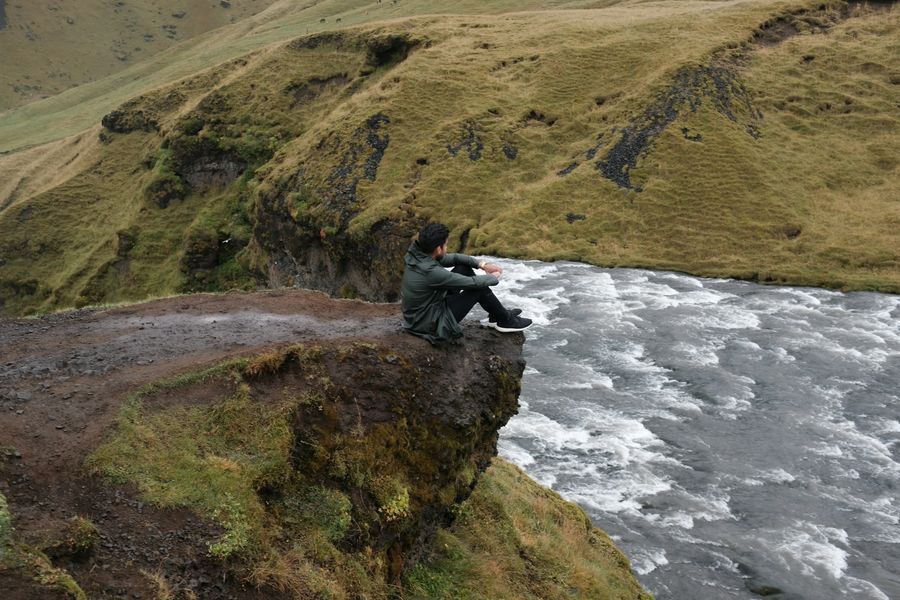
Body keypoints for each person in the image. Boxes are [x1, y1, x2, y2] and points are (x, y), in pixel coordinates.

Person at [400, 222, 532, 344]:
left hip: (422, 313)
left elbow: (456, 258)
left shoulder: (418, 255)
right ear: (438, 249)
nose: (446, 248)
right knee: (478, 289)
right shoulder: (431, 272)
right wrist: (494, 277)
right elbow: (472, 283)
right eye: (445, 245)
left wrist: (483, 265)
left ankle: (498, 315)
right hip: (429, 324)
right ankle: (504, 320)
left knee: (463, 268)